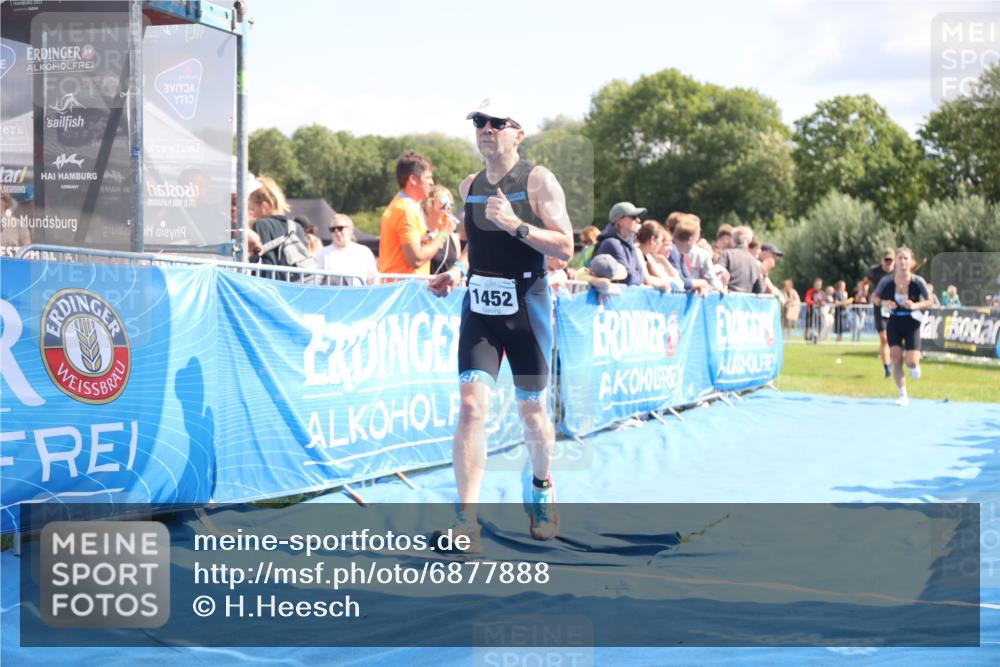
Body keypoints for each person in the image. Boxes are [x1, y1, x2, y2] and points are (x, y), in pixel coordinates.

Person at [427, 98, 574, 548]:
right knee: (472, 408)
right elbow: (476, 247)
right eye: (479, 122)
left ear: (518, 132)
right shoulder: (468, 183)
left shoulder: (538, 180)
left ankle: (542, 488)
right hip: (480, 309)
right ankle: (466, 523)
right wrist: (456, 270)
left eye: (496, 123)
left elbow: (565, 247)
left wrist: (518, 226)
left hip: (527, 309)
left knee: (532, 413)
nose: (485, 129)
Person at [871, 247, 933, 407]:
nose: (903, 261)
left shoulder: (918, 281)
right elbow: (874, 297)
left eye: (906, 258)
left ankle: (915, 365)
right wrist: (885, 302)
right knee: (896, 359)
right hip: (894, 323)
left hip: (912, 323)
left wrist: (915, 305)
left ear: (911, 262)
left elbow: (930, 301)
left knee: (911, 362)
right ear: (896, 262)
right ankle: (903, 394)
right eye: (900, 258)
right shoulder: (886, 281)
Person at [378, 150, 450, 277]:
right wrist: (444, 233)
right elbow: (416, 259)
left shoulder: (402, 204)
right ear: (413, 180)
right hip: (405, 290)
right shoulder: (406, 210)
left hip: (402, 288)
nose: (432, 182)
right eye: (428, 178)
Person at [248, 176, 310, 281]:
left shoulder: (261, 225)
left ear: (264, 206)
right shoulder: (297, 227)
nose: (252, 213)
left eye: (253, 208)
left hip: (271, 289)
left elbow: (265, 265)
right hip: (296, 287)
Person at [314, 213, 378, 285]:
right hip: (332, 295)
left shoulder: (364, 251)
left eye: (340, 228)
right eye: (332, 229)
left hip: (359, 294)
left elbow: (374, 280)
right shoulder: (322, 253)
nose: (337, 232)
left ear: (350, 229)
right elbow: (316, 281)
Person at [593, 202, 646, 286]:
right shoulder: (611, 243)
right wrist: (637, 277)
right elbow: (629, 278)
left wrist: (637, 277)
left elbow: (641, 275)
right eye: (633, 217)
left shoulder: (630, 243)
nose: (638, 220)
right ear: (620, 220)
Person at [864, 249, 895, 378]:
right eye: (886, 260)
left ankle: (892, 359)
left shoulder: (899, 269)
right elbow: (866, 282)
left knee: (893, 339)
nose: (888, 263)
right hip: (879, 306)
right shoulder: (874, 271)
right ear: (882, 260)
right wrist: (865, 291)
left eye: (890, 260)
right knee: (884, 338)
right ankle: (887, 368)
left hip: (894, 306)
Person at [421, 185, 462, 275]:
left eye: (451, 204)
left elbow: (458, 268)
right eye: (444, 203)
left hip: (448, 288)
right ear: (430, 204)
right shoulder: (422, 233)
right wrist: (443, 234)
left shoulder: (454, 238)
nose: (448, 208)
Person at [668, 214, 713, 295]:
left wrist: (700, 286)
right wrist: (702, 282)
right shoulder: (672, 251)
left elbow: (687, 278)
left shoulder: (680, 253)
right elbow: (680, 282)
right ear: (690, 240)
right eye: (695, 241)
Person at [635, 220, 681, 291]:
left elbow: (670, 279)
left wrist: (664, 261)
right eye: (660, 240)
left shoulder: (648, 256)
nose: (660, 244)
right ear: (652, 239)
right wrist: (664, 283)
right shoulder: (637, 251)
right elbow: (647, 280)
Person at [718, 225, 763, 294]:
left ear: (732, 240)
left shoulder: (727, 254)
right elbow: (759, 290)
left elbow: (718, 272)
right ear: (749, 241)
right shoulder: (754, 262)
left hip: (727, 299)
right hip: (745, 301)